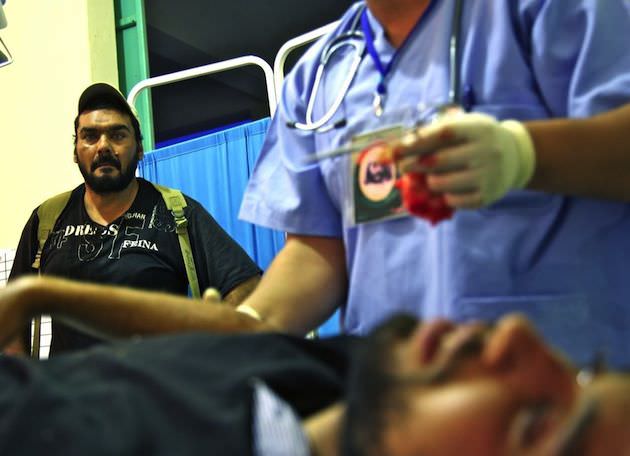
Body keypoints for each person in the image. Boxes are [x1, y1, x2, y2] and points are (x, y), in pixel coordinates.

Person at [236, 0, 630, 367]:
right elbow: (317, 250)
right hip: (408, 404)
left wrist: (523, 154)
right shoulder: (317, 78)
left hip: (567, 379)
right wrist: (250, 323)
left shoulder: (543, 9)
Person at [1, 277, 630, 455]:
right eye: (584, 369)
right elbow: (250, 328)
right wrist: (39, 295)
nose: (517, 334)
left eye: (538, 422)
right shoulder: (356, 388)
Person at [9, 82, 261, 355]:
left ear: (139, 148)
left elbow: (248, 288)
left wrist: (213, 355)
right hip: (69, 394)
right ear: (75, 150)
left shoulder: (176, 212)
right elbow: (12, 312)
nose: (103, 147)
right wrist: (25, 387)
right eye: (90, 136)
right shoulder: (47, 219)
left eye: (117, 135)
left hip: (156, 392)